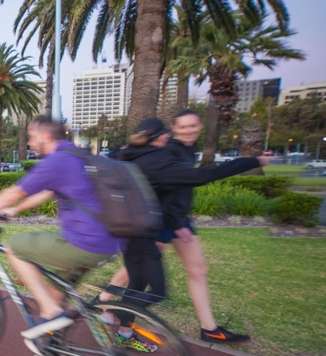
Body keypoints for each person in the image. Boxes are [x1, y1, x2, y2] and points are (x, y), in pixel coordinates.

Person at [0, 116, 123, 356]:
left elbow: (12, 192)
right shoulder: (80, 155)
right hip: (109, 245)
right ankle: (54, 351)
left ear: (46, 136)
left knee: (15, 248)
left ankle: (50, 312)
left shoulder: (58, 160)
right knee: (57, 292)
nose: (31, 143)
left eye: (32, 137)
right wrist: (15, 211)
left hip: (83, 243)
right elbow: (47, 191)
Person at [104, 112, 272, 343]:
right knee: (149, 284)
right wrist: (254, 161)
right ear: (167, 133)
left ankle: (119, 322)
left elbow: (114, 159)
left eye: (193, 126)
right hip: (155, 224)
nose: (189, 130)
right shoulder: (163, 155)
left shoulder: (138, 153)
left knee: (147, 277)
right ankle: (108, 307)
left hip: (145, 226)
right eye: (183, 126)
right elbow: (200, 176)